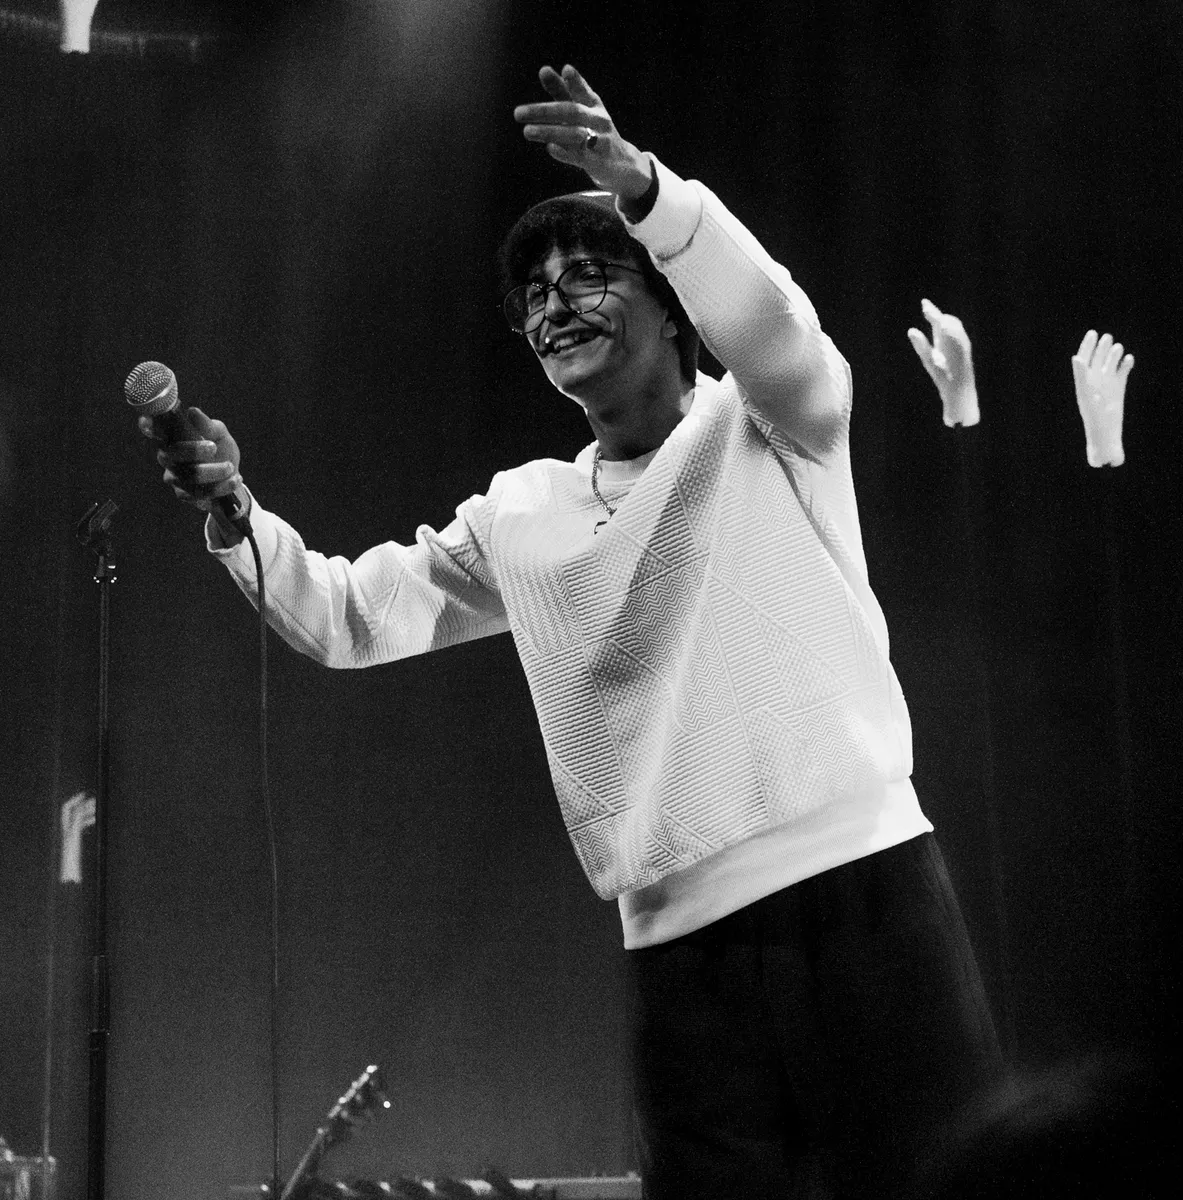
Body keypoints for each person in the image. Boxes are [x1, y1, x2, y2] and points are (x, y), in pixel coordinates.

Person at [146, 64, 1003, 1200]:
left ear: (672, 303)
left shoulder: (771, 418)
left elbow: (770, 318)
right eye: (533, 295)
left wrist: (644, 190)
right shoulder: (522, 515)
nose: (553, 304)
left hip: (863, 892)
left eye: (588, 273)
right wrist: (236, 514)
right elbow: (350, 616)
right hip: (680, 954)